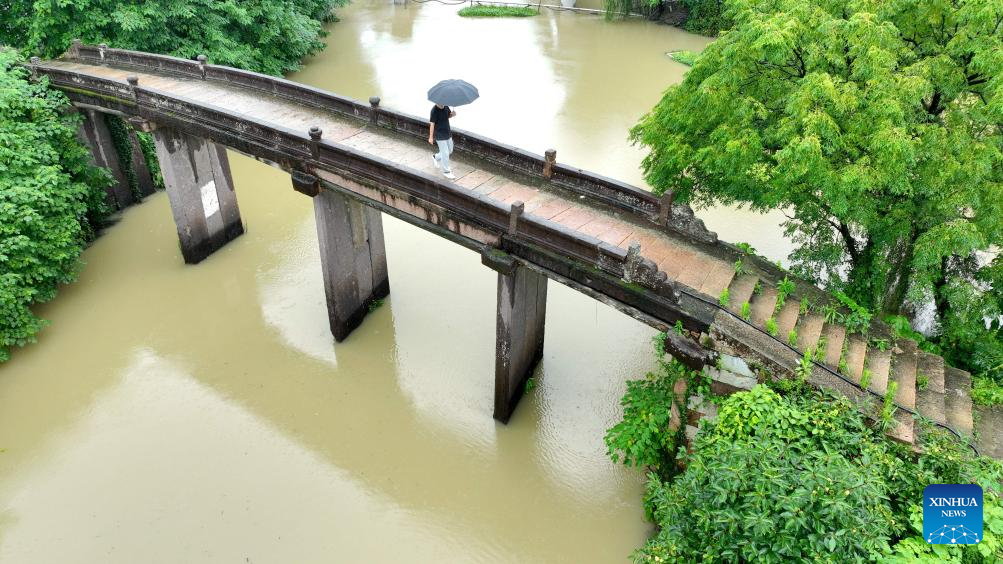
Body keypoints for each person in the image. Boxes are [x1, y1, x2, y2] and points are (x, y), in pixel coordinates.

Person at [428, 103, 456, 180]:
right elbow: (432, 124)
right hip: (439, 134)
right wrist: (430, 137)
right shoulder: (434, 110)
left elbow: (448, 116)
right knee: (445, 153)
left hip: (447, 132)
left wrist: (452, 115)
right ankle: (446, 172)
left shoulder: (446, 106)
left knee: (450, 150)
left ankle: (435, 157)